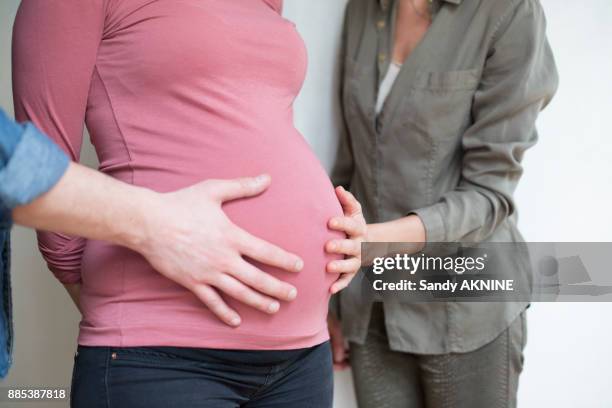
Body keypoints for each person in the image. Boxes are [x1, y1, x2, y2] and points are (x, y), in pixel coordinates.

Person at [12, 0, 367, 406]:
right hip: (164, 352)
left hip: (303, 353)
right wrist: (129, 308)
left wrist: (330, 234)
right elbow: (33, 172)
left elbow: (245, 120)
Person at [329, 0, 559, 406]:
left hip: (465, 306)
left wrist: (374, 243)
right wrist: (329, 298)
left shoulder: (509, 12)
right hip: (372, 307)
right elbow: (349, 164)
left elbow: (490, 195)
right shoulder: (363, 8)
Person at [0, 108, 317, 377]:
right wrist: (157, 228)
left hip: (306, 349)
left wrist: (358, 242)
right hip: (166, 348)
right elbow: (22, 168)